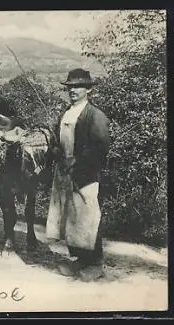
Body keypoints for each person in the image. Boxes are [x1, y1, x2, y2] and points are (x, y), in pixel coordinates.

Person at [46, 68, 110, 282]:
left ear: (88, 90)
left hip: (85, 175)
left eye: (77, 87)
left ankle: (96, 263)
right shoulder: (66, 113)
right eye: (70, 87)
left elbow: (100, 147)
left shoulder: (95, 115)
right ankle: (80, 260)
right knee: (71, 218)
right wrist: (57, 153)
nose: (73, 90)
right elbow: (55, 141)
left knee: (88, 217)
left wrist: (77, 161)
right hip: (64, 172)